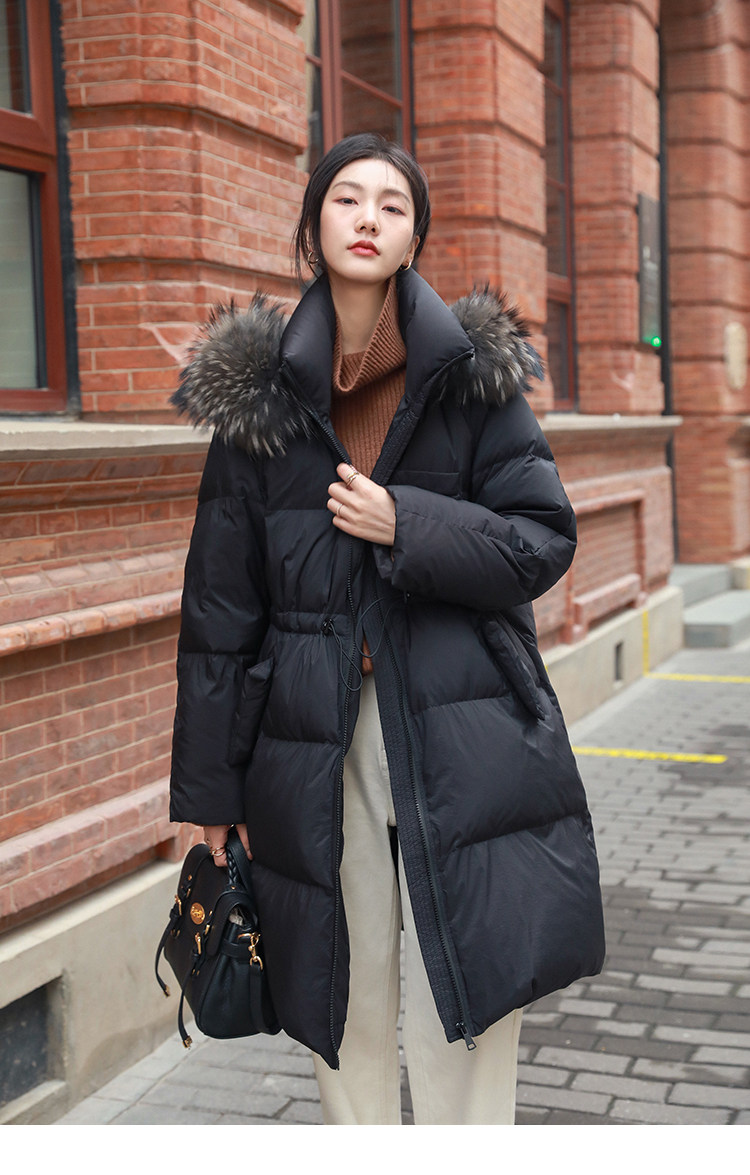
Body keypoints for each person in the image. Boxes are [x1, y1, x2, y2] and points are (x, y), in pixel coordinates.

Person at [169, 133, 605, 1125]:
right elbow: (219, 611)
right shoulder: (260, 401)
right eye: (348, 199)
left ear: (414, 238)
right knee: (340, 988)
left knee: (468, 991)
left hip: (463, 716)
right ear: (314, 225)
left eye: (393, 205)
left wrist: (407, 522)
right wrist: (210, 795)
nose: (368, 217)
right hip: (311, 736)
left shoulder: (473, 380)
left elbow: (542, 538)